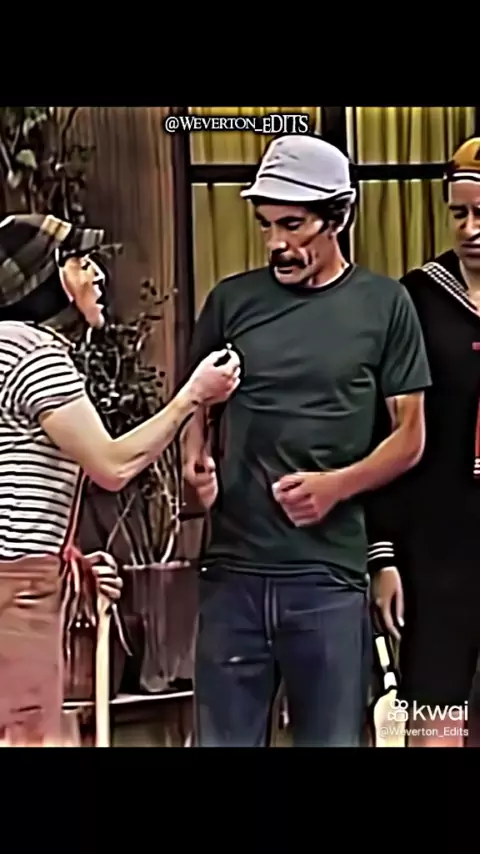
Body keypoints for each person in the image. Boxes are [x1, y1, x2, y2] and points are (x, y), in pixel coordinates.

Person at [182, 134, 432, 748]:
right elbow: (196, 402)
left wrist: (335, 487)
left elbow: (410, 437)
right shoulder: (232, 302)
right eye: (266, 225)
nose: (276, 243)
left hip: (328, 578)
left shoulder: (385, 305)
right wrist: (194, 456)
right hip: (232, 574)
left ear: (337, 218)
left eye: (292, 225)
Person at [0, 212, 240, 747]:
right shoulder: (30, 351)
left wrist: (76, 564)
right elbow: (111, 465)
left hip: (21, 580)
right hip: (17, 589)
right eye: (79, 262)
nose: (97, 274)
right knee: (29, 735)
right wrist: (193, 396)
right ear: (47, 279)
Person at [367, 137, 480, 748]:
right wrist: (383, 556)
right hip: (435, 547)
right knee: (436, 725)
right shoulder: (416, 299)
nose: (470, 229)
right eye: (459, 213)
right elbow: (384, 433)